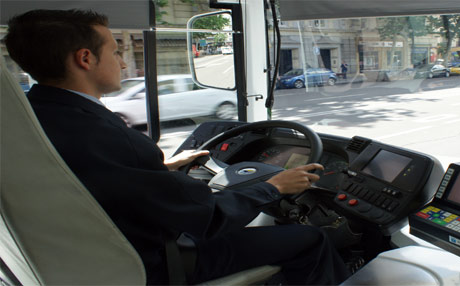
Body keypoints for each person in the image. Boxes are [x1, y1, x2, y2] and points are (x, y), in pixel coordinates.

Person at [4, 9, 350, 285]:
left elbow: (87, 177)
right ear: (84, 58)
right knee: (309, 239)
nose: (123, 62)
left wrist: (163, 169)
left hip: (84, 254)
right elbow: (208, 217)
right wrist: (273, 186)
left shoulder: (37, 115)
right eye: (116, 51)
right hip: (159, 263)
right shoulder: (104, 134)